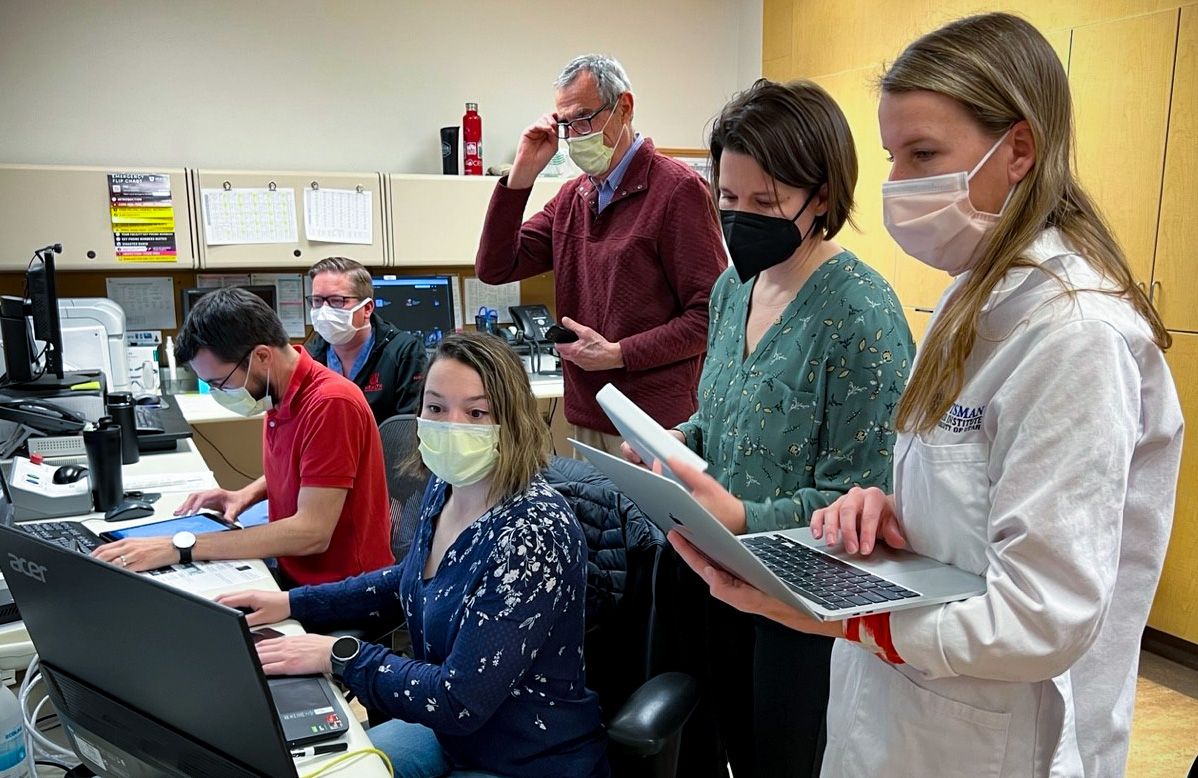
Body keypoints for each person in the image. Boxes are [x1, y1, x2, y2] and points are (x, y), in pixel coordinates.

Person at [667, 13, 1182, 778]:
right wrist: (882, 508)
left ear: (1019, 150)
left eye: (925, 155)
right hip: (900, 711)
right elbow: (973, 503)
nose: (899, 186)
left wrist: (849, 619)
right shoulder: (970, 299)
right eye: (893, 157)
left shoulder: (1076, 336)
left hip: (994, 735)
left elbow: (1044, 617)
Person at [628, 79, 914, 778]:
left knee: (776, 760)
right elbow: (720, 413)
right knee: (699, 739)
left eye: (765, 202)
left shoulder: (861, 313)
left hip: (798, 606)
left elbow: (864, 499)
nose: (740, 218)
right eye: (728, 199)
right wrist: (675, 446)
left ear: (823, 194)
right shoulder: (734, 289)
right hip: (713, 569)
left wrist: (748, 515)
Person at [218, 331, 609, 778]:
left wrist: (339, 655)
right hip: (449, 735)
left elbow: (459, 701)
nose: (451, 425)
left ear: (512, 421)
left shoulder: (533, 532)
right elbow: (411, 579)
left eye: (476, 412)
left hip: (524, 757)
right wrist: (290, 604)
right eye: (436, 407)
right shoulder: (446, 486)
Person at [475, 53, 726, 454]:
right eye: (565, 124)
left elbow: (710, 319)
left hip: (657, 424)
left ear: (624, 108)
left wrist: (619, 354)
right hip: (588, 415)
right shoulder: (574, 197)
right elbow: (494, 266)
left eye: (584, 119)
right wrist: (521, 175)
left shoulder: (677, 190)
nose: (574, 135)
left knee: (651, 520)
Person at [92, 288, 393, 586]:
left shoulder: (330, 403)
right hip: (297, 569)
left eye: (220, 382)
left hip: (345, 587)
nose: (220, 392)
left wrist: (180, 547)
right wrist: (244, 495)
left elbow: (311, 533)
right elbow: (310, 468)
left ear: (262, 356)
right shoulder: (280, 390)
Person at [305, 256, 426, 424]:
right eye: (317, 301)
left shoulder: (403, 352)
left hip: (385, 449)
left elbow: (405, 428)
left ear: (367, 308)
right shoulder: (309, 357)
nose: (324, 311)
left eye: (337, 301)